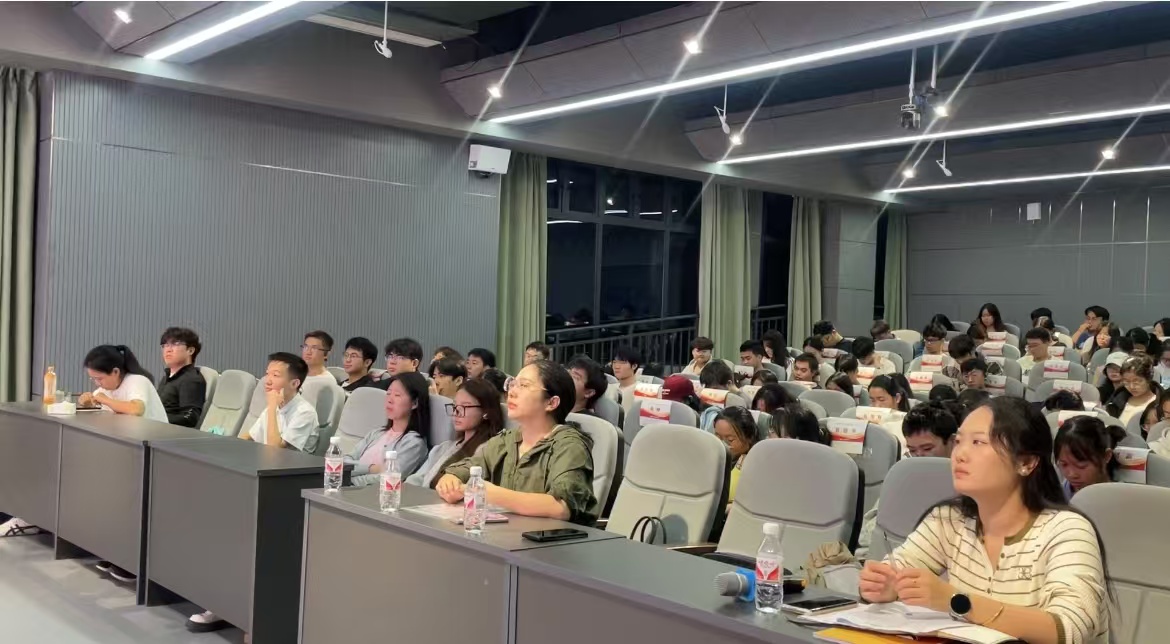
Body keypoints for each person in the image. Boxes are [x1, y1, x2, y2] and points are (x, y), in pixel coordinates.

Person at [860, 397, 1109, 644]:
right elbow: (896, 569)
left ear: (1026, 462)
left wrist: (957, 601)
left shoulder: (1066, 530)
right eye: (959, 441)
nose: (959, 454)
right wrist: (882, 586)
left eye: (978, 442)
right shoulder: (949, 519)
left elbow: (1070, 629)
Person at [436, 361, 599, 525]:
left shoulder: (569, 446)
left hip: (548, 538)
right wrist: (451, 479)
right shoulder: (507, 440)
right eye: (513, 384)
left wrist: (492, 494)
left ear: (551, 403)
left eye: (524, 385)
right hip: (508, 534)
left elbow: (560, 508)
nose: (512, 392)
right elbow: (471, 466)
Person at [856, 402, 961, 557]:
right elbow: (873, 530)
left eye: (927, 449)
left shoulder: (969, 481)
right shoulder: (904, 476)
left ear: (953, 442)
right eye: (912, 450)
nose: (919, 456)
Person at [407, 379, 503, 489]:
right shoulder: (444, 447)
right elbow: (417, 479)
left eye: (465, 406)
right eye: (454, 406)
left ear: (486, 412)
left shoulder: (487, 453)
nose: (456, 413)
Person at [345, 371, 431, 486]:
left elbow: (389, 478)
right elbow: (344, 461)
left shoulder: (414, 443)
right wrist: (373, 468)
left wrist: (348, 480)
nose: (389, 400)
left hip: (365, 492)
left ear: (414, 403)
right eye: (388, 393)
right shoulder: (377, 433)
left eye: (397, 395)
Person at [238, 352, 319, 452]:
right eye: (267, 374)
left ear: (294, 383)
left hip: (287, 461)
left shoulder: (305, 412)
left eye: (275, 375)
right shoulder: (274, 407)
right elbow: (249, 436)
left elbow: (275, 451)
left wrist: (272, 406)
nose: (267, 381)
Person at [80, 345, 167, 423]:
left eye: (99, 379)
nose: (97, 383)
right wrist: (87, 401)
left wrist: (105, 400)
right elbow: (95, 399)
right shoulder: (105, 388)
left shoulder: (137, 380)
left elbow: (136, 409)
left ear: (115, 372)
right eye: (93, 379)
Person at [1054, 415, 1125, 501]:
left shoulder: (1124, 498)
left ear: (1106, 456)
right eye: (1064, 464)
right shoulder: (1058, 495)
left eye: (1081, 466)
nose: (1071, 474)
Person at [713, 406, 762, 512]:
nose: (722, 444)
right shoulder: (709, 457)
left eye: (730, 440)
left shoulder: (755, 467)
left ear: (749, 438)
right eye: (717, 437)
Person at [156, 327, 206, 428]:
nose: (168, 350)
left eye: (175, 344)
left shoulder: (191, 380)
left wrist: (156, 418)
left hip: (169, 433)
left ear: (190, 350)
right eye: (165, 345)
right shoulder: (166, 377)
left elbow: (190, 418)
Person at [1107, 355, 1160, 427]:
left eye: (1136, 382)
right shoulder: (1118, 399)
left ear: (1148, 379)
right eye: (1126, 382)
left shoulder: (1159, 404)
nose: (1131, 387)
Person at [611, 346, 642, 413]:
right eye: (614, 362)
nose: (616, 366)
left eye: (622, 363)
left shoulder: (640, 390)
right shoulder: (610, 387)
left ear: (634, 366)